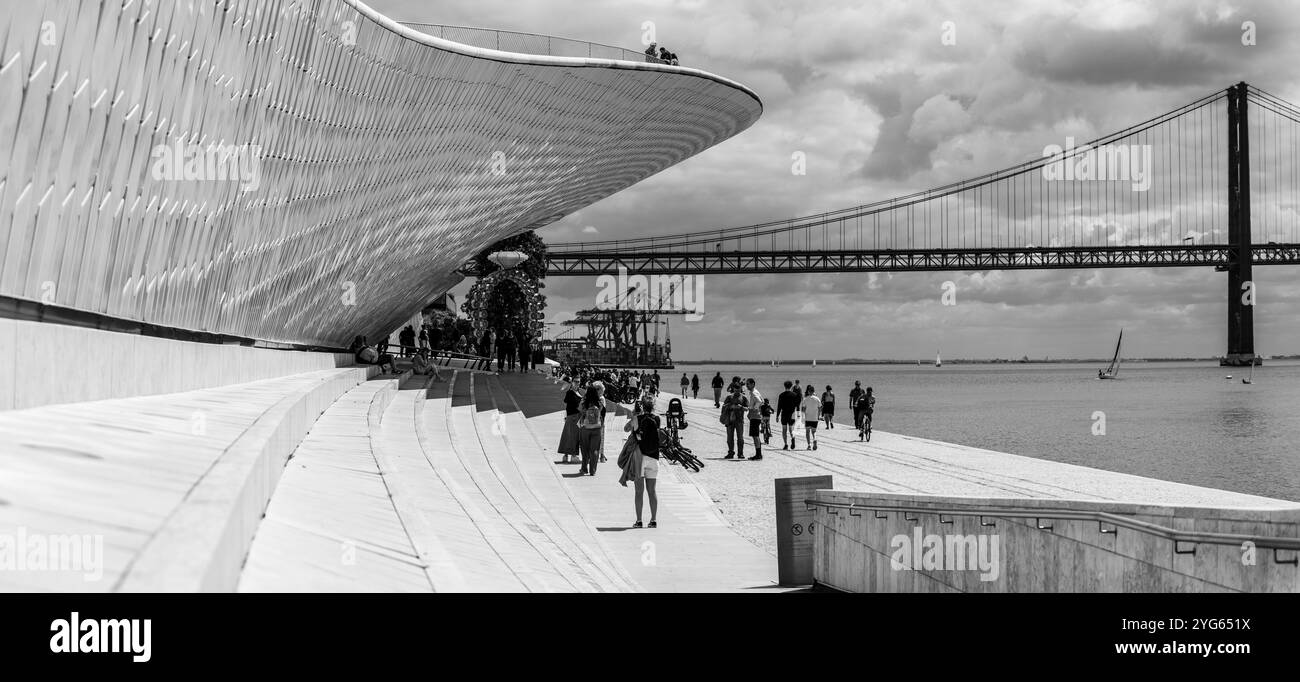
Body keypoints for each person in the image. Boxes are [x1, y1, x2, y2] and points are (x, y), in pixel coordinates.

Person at [627, 396, 661, 528]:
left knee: (639, 492)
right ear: (653, 407)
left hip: (640, 457)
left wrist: (635, 415)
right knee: (652, 491)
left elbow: (631, 431)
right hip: (654, 457)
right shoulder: (657, 419)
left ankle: (639, 520)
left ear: (642, 406)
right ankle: (653, 520)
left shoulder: (637, 418)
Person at [576, 385, 605, 476]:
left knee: (585, 449)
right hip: (597, 428)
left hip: (585, 428)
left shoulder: (584, 402)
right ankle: (593, 470)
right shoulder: (599, 402)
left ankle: (584, 469)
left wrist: (584, 398)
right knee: (595, 450)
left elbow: (579, 410)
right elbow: (602, 412)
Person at [558, 378, 582, 464]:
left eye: (579, 381)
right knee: (572, 437)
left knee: (568, 436)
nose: (577, 383)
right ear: (572, 383)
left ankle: (566, 456)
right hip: (572, 417)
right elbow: (566, 404)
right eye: (575, 381)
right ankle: (573, 456)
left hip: (575, 417)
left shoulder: (578, 392)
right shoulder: (570, 392)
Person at [722, 386, 748, 459]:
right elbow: (723, 406)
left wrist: (741, 407)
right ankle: (731, 453)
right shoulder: (729, 397)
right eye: (735, 389)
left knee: (740, 438)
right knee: (729, 438)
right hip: (729, 420)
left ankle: (740, 454)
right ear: (733, 389)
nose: (737, 391)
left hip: (739, 420)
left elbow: (747, 408)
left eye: (738, 390)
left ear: (740, 389)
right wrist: (731, 406)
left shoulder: (744, 398)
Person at [776, 380, 801, 449]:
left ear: (784, 386)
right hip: (792, 414)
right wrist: (798, 414)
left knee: (784, 429)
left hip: (784, 414)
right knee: (791, 429)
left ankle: (786, 444)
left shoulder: (781, 395)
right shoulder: (794, 395)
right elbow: (797, 405)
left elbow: (779, 406)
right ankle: (793, 439)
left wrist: (777, 415)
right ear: (791, 386)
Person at [744, 378, 764, 460]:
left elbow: (759, 401)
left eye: (748, 384)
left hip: (755, 416)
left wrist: (754, 408)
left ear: (752, 384)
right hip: (756, 416)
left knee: (755, 436)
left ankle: (758, 455)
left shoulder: (753, 393)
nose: (746, 385)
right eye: (746, 384)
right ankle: (759, 454)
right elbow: (762, 401)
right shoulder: (756, 391)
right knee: (756, 436)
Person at [801, 385, 822, 450]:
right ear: (813, 391)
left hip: (808, 418)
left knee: (807, 431)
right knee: (814, 431)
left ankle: (809, 445)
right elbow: (820, 408)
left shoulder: (805, 399)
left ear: (808, 391)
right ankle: (815, 439)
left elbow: (803, 409)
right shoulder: (817, 399)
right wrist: (818, 416)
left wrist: (803, 417)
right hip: (815, 418)